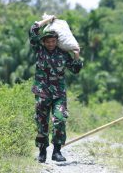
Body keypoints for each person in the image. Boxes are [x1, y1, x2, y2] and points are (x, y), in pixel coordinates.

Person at [28, 16, 83, 163]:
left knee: (59, 119)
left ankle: (57, 152)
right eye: (48, 42)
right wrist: (46, 20)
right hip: (42, 93)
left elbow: (75, 69)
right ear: (44, 42)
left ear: (57, 42)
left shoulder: (63, 54)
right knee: (42, 122)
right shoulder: (39, 50)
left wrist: (76, 55)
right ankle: (42, 152)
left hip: (59, 93)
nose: (51, 44)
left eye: (53, 41)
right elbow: (33, 31)